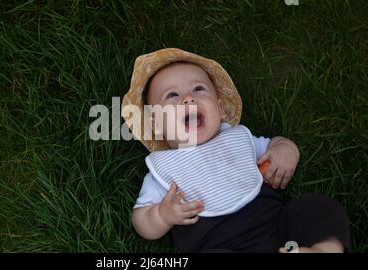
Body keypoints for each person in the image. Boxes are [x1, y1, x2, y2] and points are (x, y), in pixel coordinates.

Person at [121, 48, 350, 253]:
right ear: (157, 124)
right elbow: (141, 220)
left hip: (276, 229)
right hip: (216, 243)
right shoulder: (164, 168)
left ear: (220, 109)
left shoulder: (237, 138)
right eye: (172, 95)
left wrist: (285, 150)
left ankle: (324, 248)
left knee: (313, 207)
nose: (188, 98)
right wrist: (161, 214)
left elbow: (274, 145)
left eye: (199, 89)